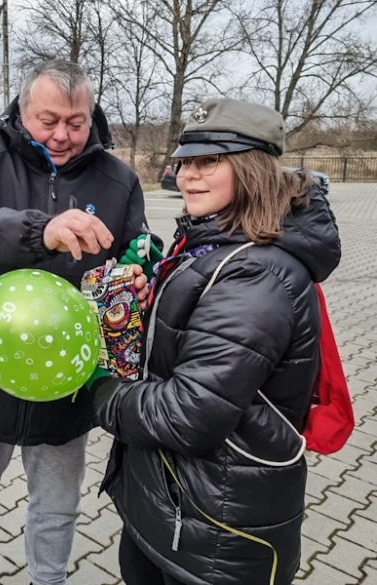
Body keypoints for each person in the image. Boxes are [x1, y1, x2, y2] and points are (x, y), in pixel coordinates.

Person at [0, 59, 161, 585]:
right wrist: (40, 230)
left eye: (75, 122)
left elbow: (137, 246)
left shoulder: (118, 179)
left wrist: (137, 272)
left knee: (56, 510)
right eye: (47, 120)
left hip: (67, 384)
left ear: (91, 113)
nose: (62, 135)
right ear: (22, 109)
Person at [88, 97, 341, 585]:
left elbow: (190, 414)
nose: (187, 176)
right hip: (175, 504)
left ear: (251, 169)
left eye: (210, 162)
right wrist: (141, 308)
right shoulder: (217, 241)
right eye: (185, 162)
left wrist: (99, 390)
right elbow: (194, 347)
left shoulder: (257, 272)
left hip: (217, 529)